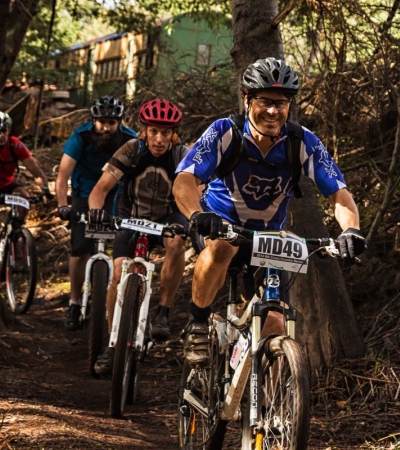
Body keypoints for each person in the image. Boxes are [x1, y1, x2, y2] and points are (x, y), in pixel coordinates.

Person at [172, 57, 367, 365]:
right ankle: (197, 323)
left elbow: (339, 195)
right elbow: (185, 180)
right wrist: (197, 214)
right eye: (265, 101)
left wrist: (351, 230)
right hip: (219, 227)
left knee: (275, 324)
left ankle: (270, 405)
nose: (273, 111)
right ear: (248, 99)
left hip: (267, 239)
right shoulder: (225, 132)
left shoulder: (302, 141)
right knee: (223, 247)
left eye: (282, 103)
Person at [88, 99, 190, 375]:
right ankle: (112, 344)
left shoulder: (182, 153)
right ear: (143, 131)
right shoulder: (132, 149)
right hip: (131, 217)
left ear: (174, 134)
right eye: (154, 131)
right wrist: (96, 212)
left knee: (177, 242)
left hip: (168, 217)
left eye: (166, 133)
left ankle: (163, 313)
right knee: (119, 273)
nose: (159, 139)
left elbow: (197, 191)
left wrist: (196, 217)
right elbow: (100, 189)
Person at [55, 96, 136, 331]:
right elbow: (62, 174)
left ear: (119, 122)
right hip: (84, 193)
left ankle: (117, 302)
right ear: (94, 120)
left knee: (122, 246)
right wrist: (63, 205)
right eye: (102, 122)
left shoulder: (129, 139)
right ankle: (73, 300)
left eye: (111, 122)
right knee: (80, 249)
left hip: (117, 195)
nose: (106, 127)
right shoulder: (81, 137)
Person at [0, 111, 51, 198]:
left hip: (6, 185)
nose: (0, 136)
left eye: (4, 131)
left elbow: (35, 169)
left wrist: (45, 189)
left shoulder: (14, 144)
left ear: (9, 130)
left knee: (24, 199)